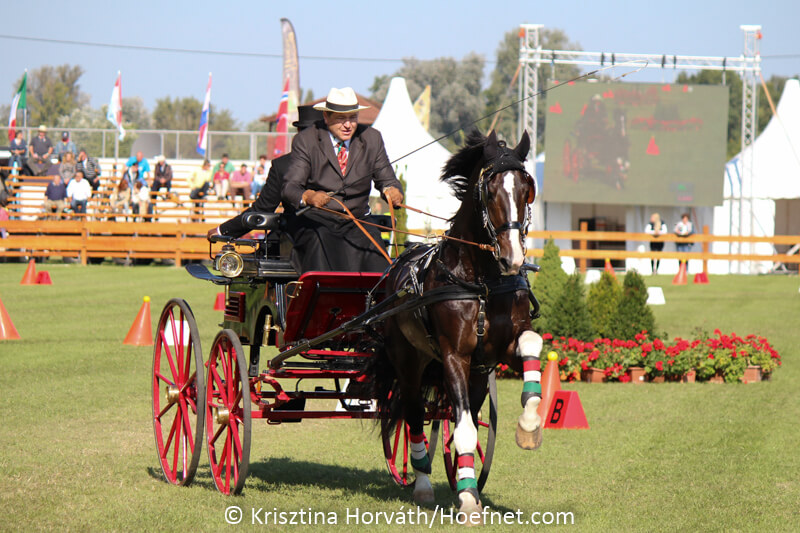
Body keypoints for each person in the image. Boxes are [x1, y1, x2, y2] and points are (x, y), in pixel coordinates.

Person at [281, 88, 403, 273]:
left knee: (380, 265)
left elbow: (387, 179)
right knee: (319, 240)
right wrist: (309, 196)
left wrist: (392, 191)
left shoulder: (372, 138)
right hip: (318, 221)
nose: (348, 125)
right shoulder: (306, 140)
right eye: (341, 119)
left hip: (359, 221)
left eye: (353, 118)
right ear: (326, 117)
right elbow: (290, 187)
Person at [209, 105, 323, 239]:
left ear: (298, 132)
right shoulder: (339, 161)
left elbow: (262, 209)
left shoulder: (282, 165)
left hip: (295, 237)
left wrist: (222, 230)